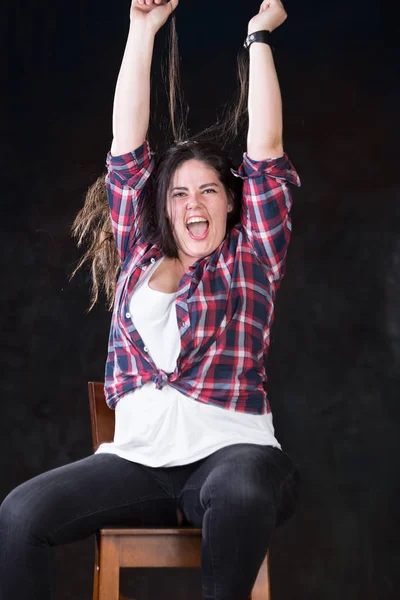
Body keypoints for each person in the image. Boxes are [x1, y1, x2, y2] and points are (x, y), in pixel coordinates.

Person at [0, 1, 301, 599]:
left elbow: (265, 150)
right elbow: (125, 142)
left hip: (232, 455)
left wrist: (258, 37)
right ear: (160, 205)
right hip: (138, 463)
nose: (194, 203)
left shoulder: (251, 256)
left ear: (230, 204)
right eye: (181, 192)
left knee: (239, 490)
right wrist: (141, 31)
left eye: (209, 191)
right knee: (19, 515)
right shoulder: (137, 250)